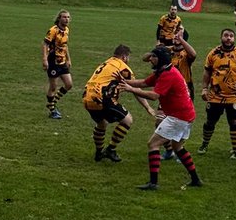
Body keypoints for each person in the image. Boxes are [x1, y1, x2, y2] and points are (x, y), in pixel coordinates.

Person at [121, 47, 203, 192]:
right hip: (186, 115)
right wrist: (123, 81)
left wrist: (130, 89)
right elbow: (144, 83)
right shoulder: (163, 71)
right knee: (178, 148)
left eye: (153, 57)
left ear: (161, 59)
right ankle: (196, 179)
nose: (150, 59)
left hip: (179, 116)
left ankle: (153, 183)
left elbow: (154, 96)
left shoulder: (168, 74)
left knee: (153, 144)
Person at [82, 45, 151, 163]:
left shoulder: (106, 63)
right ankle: (111, 149)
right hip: (102, 97)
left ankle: (99, 153)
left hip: (87, 97)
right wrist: (148, 107)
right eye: (128, 57)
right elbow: (136, 89)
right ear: (124, 57)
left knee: (102, 123)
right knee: (127, 120)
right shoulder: (123, 68)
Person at [199, 28, 236, 156]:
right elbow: (207, 71)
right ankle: (204, 144)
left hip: (233, 96)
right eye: (226, 35)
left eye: (231, 36)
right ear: (221, 37)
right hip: (215, 95)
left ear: (234, 39)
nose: (228, 38)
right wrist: (204, 88)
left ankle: (235, 150)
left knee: (234, 122)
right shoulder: (213, 53)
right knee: (210, 121)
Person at [42, 10, 72, 119]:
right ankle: (52, 110)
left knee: (69, 84)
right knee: (53, 86)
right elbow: (45, 44)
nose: (66, 19)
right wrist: (45, 59)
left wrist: (68, 59)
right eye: (64, 17)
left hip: (62, 62)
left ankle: (52, 102)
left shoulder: (67, 30)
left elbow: (65, 45)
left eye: (68, 17)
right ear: (59, 18)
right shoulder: (53, 30)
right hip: (53, 61)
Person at [170, 29, 198, 100]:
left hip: (184, 86)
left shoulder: (186, 53)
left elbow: (193, 55)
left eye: (179, 35)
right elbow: (145, 58)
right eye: (175, 34)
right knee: (162, 111)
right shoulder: (167, 51)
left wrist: (181, 40)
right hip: (168, 85)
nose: (176, 36)